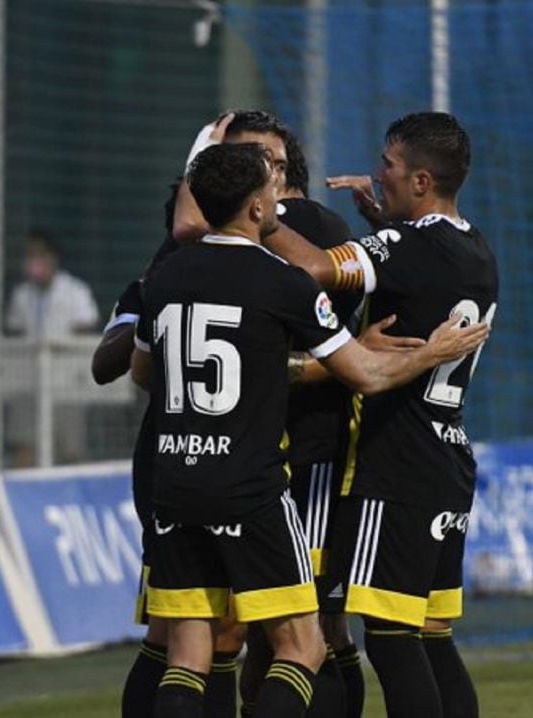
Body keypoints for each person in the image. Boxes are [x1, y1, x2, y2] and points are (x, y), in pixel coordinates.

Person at [130, 142, 488, 718]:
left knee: (187, 651)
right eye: (271, 189)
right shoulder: (282, 283)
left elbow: (142, 371)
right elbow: (367, 375)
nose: (281, 199)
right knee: (304, 644)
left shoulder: (165, 277)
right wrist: (432, 352)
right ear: (253, 208)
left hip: (174, 479)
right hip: (251, 489)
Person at [261, 112, 499, 718]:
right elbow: (418, 274)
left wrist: (254, 214)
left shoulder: (407, 246)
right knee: (433, 639)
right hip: (447, 456)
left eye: (389, 165)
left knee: (390, 641)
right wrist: (383, 225)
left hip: (397, 461)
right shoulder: (475, 249)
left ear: (421, 181)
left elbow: (315, 268)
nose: (378, 173)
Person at [172, 110, 368, 718]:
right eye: (250, 161)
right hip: (248, 470)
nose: (265, 175)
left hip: (301, 456)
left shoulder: (311, 227)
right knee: (267, 638)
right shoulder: (191, 252)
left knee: (298, 631)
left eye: (274, 163)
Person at [93, 181, 245, 718]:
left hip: (203, 466)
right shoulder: (157, 284)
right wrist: (143, 318)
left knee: (205, 632)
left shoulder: (236, 278)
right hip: (186, 467)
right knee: (184, 631)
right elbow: (104, 365)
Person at [6, 229, 99, 466]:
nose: (34, 261)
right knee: (26, 447)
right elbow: (14, 331)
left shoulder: (75, 291)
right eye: (30, 256)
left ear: (53, 257)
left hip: (66, 383)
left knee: (70, 450)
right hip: (28, 382)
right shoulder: (22, 295)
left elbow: (86, 326)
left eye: (39, 255)